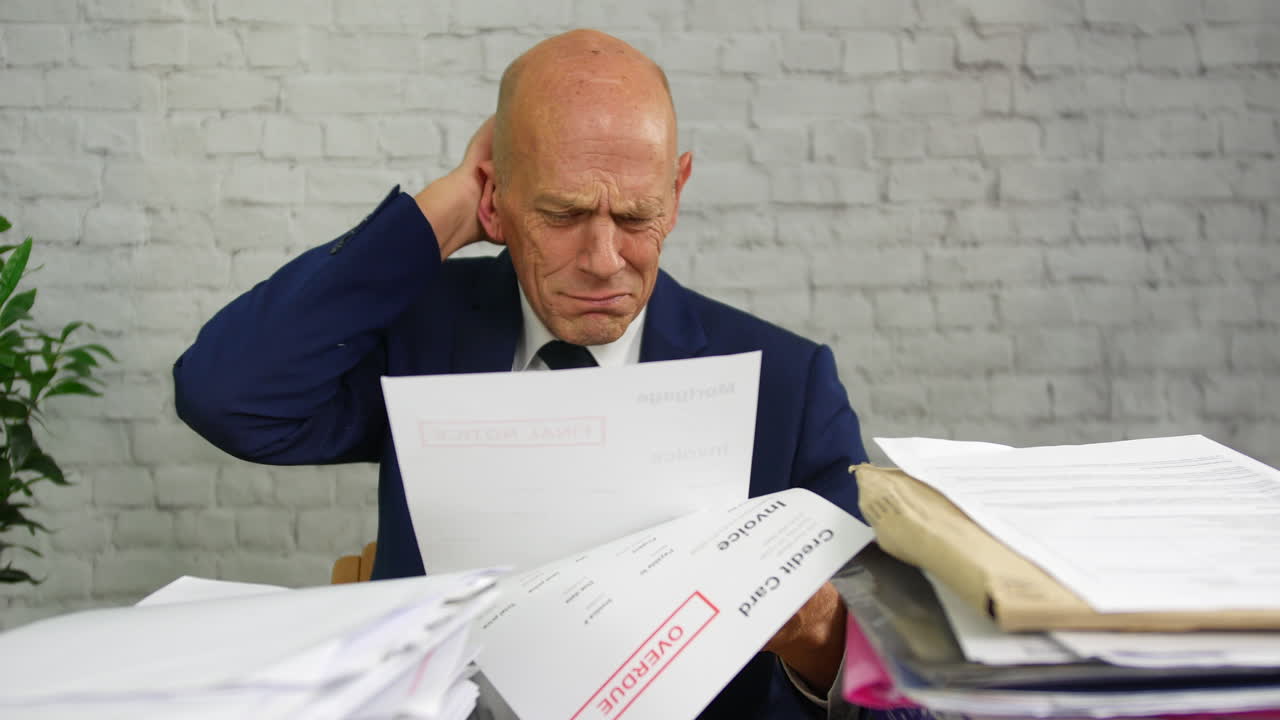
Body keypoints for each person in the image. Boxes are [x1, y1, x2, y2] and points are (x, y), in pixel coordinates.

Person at [175, 29, 875, 720]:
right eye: (562, 213)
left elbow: (892, 686)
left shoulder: (789, 383)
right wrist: (440, 218)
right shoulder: (418, 334)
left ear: (678, 188)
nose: (604, 259)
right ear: (498, 199)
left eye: (636, 214)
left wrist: (817, 633)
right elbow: (225, 394)